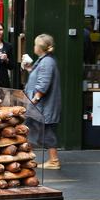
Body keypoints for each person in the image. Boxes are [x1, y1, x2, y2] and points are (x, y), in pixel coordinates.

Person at [24, 34, 62, 170]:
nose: (34, 47)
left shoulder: (47, 62)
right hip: (42, 106)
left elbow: (43, 85)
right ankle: (27, 156)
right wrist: (29, 69)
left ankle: (53, 160)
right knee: (32, 130)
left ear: (39, 47)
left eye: (35, 44)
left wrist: (33, 101)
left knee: (45, 131)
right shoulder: (45, 60)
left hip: (44, 106)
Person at [0, 21, 14, 88]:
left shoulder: (8, 46)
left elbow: (11, 66)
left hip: (4, 80)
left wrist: (6, 59)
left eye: (1, 29)